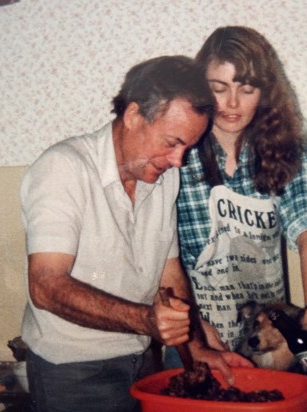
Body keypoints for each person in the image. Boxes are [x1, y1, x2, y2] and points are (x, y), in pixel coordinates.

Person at [20, 55, 250, 412]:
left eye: (187, 148)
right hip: (72, 372)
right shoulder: (62, 168)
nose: (178, 161)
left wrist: (194, 345)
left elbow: (168, 271)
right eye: (171, 142)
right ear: (132, 116)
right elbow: (46, 287)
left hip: (141, 361)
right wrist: (146, 320)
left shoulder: (164, 177)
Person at [165, 26, 307, 370]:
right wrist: (196, 329)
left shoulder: (288, 147)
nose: (232, 104)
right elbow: (159, 252)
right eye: (219, 88)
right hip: (195, 330)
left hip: (265, 335)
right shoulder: (179, 152)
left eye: (246, 89)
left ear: (265, 92)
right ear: (202, 89)